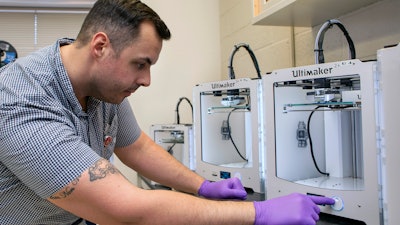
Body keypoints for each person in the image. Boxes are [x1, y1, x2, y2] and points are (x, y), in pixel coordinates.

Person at [0, 0, 334, 224]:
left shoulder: (103, 91)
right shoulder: (18, 100)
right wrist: (257, 212)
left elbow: (137, 146)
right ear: (101, 47)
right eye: (140, 64)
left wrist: (201, 186)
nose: (145, 80)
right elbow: (125, 210)